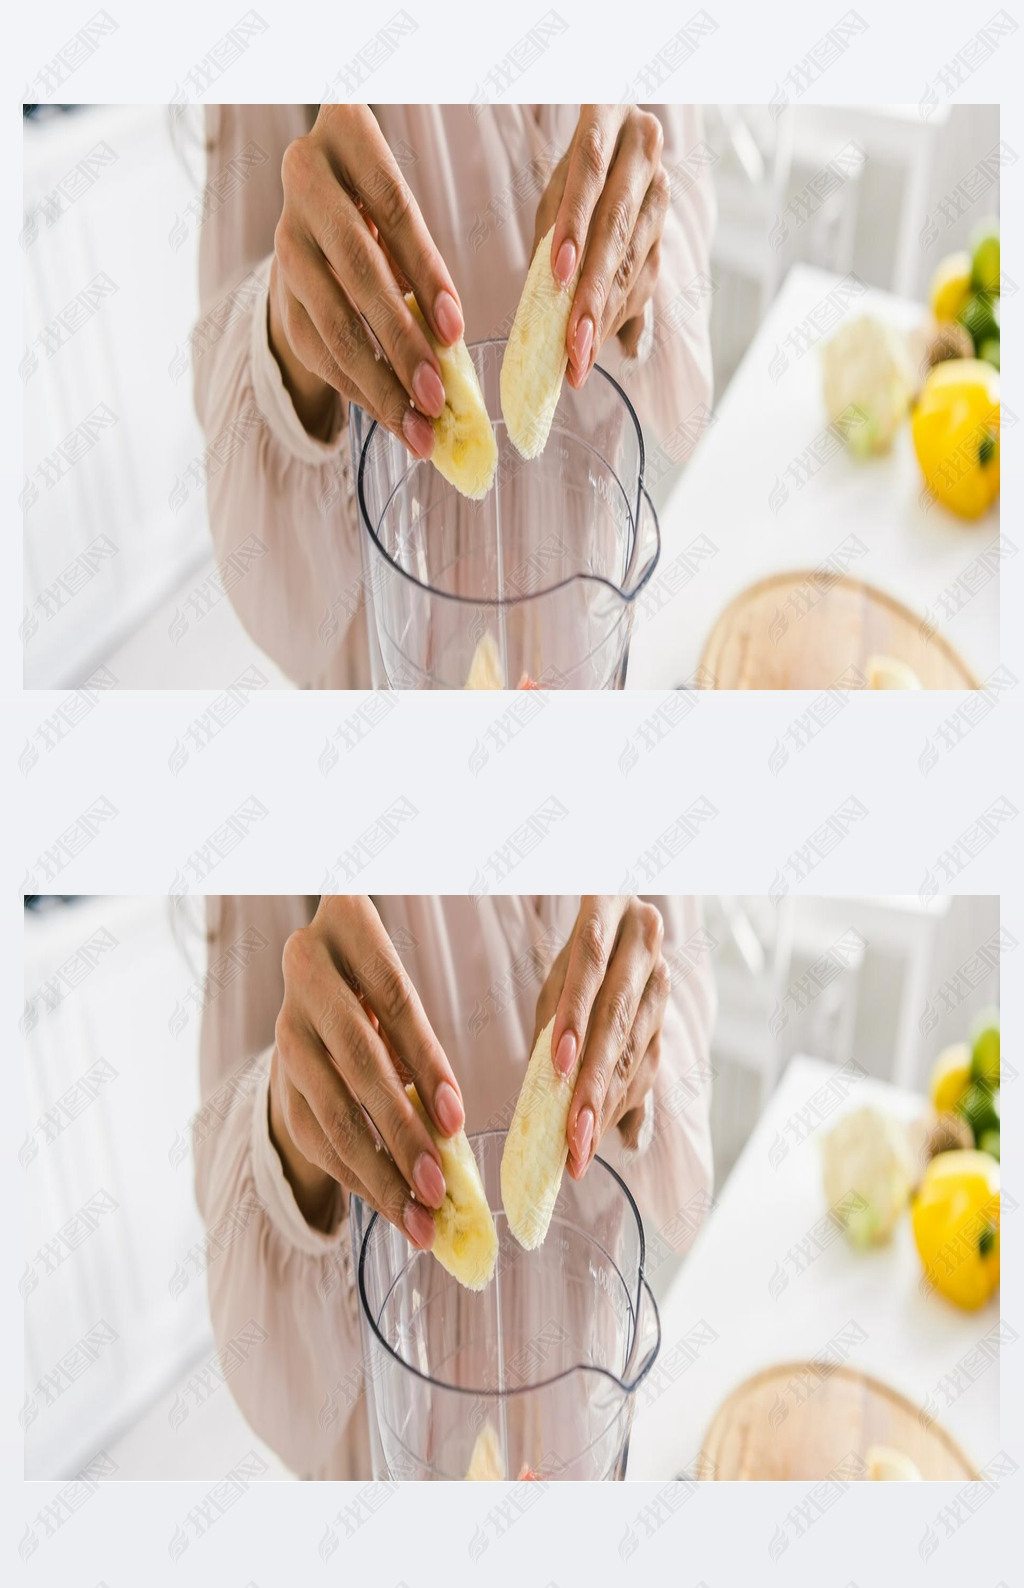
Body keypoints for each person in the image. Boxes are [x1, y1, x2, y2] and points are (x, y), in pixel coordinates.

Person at [195, 895, 715, 1477]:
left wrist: (630, 1044)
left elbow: (678, 985)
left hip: (579, 1419)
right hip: (400, 1446)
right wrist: (297, 1123)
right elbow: (233, 1215)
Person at [193, 106, 715, 686]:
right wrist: (296, 333)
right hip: (400, 657)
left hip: (582, 627)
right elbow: (247, 511)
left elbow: (679, 190)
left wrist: (630, 256)